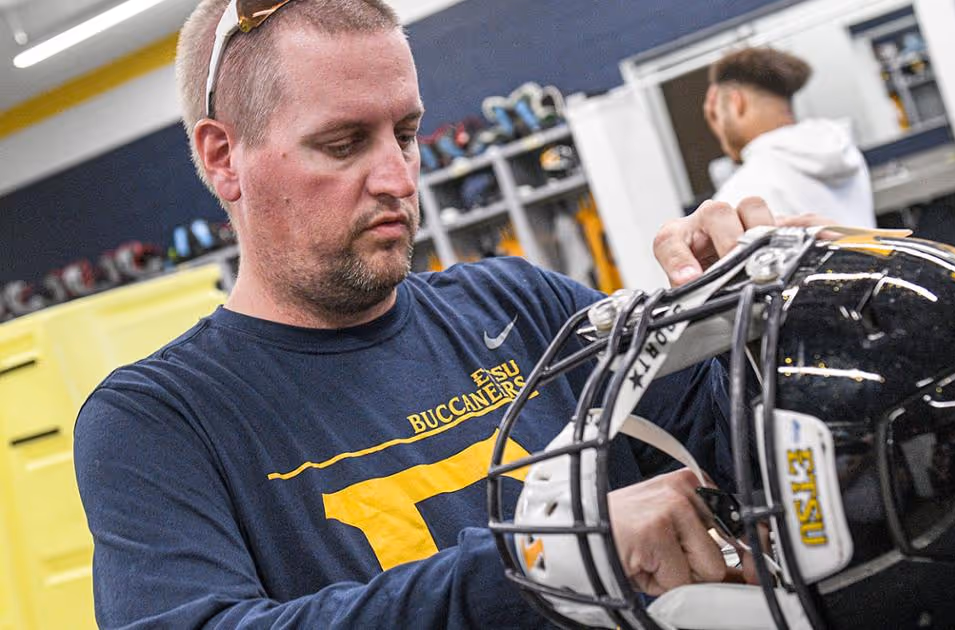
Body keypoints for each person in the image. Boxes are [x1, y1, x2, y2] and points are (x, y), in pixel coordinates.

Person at [73, 1, 827, 627]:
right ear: (221, 157)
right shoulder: (158, 421)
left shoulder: (527, 307)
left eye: (405, 133)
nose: (400, 179)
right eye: (343, 144)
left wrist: (762, 320)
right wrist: (538, 560)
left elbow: (759, 451)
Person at [705, 47, 877, 228]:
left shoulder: (738, 197)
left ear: (736, 103)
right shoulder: (842, 150)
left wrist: (729, 139)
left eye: (717, 115)